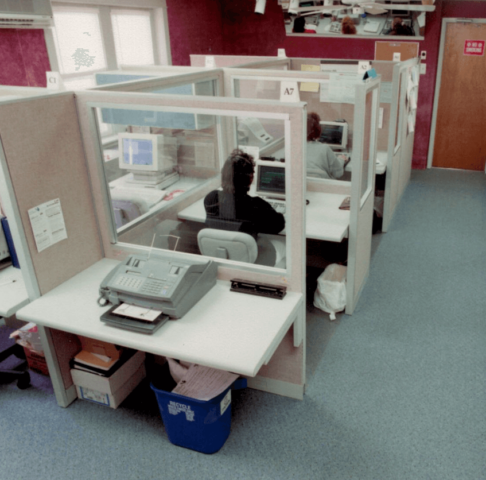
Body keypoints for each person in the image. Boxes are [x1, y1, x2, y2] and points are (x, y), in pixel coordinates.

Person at [204, 149, 285, 237]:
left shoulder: (212, 198)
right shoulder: (257, 205)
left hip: (221, 248)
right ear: (250, 178)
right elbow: (279, 225)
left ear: (223, 175)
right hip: (249, 249)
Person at [306, 112, 350, 180]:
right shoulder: (324, 149)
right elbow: (338, 173)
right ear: (318, 129)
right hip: (323, 187)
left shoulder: (296, 148)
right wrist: (342, 159)